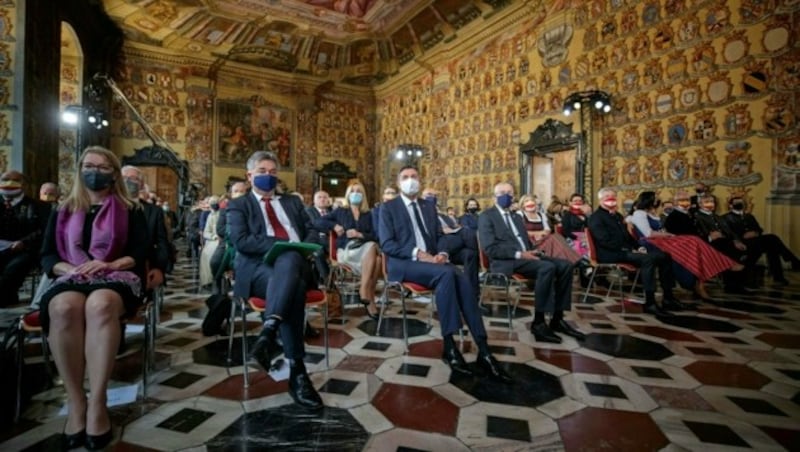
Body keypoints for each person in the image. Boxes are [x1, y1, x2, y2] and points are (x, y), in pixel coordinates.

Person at [39, 146, 147, 450]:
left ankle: (98, 401)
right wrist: (72, 269)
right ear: (79, 170)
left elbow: (139, 252)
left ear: (113, 174)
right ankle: (77, 402)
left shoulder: (130, 208)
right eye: (89, 165)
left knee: (99, 304)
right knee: (63, 307)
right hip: (71, 275)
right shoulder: (63, 209)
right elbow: (47, 256)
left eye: (102, 167)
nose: (95, 171)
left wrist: (109, 264)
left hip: (117, 275)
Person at [379, 165, 511, 382]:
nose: (410, 180)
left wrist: (441, 252)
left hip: (432, 262)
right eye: (405, 177)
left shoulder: (428, 207)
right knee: (447, 274)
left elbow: (440, 236)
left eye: (414, 176)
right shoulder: (389, 208)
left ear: (420, 180)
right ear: (398, 182)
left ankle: (484, 349)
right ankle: (449, 345)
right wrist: (419, 254)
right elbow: (386, 244)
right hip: (402, 263)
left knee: (458, 275)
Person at [226, 150, 323, 410]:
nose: (268, 176)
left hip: (298, 263)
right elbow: (241, 241)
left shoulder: (292, 202)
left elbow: (313, 229)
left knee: (290, 260)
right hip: (258, 269)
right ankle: (297, 372)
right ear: (249, 176)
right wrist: (282, 244)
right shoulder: (239, 205)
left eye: (272, 172)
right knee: (294, 285)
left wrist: (305, 245)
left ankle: (268, 333)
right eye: (261, 172)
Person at [479, 183, 583, 344]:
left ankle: (557, 318)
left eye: (509, 193)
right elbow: (490, 249)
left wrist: (534, 251)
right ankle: (539, 323)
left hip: (528, 255)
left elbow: (524, 241)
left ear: (513, 196)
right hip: (507, 260)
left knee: (565, 265)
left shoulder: (516, 216)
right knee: (547, 267)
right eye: (501, 193)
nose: (505, 195)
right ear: (494, 196)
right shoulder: (487, 216)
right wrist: (521, 254)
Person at [628, 191, 740, 303]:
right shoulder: (639, 213)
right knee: (692, 241)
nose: (658, 200)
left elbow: (659, 229)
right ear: (649, 200)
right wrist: (668, 234)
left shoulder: (652, 213)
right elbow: (648, 233)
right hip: (650, 243)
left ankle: (703, 277)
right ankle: (723, 264)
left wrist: (666, 234)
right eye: (656, 198)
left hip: (662, 239)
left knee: (694, 241)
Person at [587, 188, 682, 316]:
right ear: (600, 199)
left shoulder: (617, 215)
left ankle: (668, 297)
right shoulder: (596, 217)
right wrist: (629, 249)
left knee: (664, 256)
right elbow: (605, 241)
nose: (611, 198)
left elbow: (628, 237)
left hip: (623, 251)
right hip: (609, 254)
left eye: (613, 196)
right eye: (607, 196)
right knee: (648, 259)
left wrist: (638, 247)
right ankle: (650, 303)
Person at [314, 182, 381, 319]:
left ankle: (368, 295)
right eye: (352, 191)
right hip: (346, 250)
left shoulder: (369, 214)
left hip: (365, 249)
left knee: (377, 257)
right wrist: (334, 225)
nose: (355, 194)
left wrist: (360, 234)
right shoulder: (341, 211)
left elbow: (376, 235)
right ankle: (367, 294)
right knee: (374, 251)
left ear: (363, 195)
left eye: (359, 191)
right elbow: (317, 222)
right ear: (348, 195)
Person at [723, 196, 800, 286]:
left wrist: (756, 233)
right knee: (772, 241)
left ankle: (780, 275)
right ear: (731, 205)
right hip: (742, 243)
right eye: (736, 202)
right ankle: (791, 262)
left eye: (741, 202)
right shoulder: (725, 218)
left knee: (772, 243)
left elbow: (759, 229)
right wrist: (743, 236)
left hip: (755, 241)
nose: (739, 204)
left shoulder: (749, 216)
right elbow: (729, 234)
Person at [0, 170, 49, 306]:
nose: (9, 183)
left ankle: (4, 300)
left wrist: (24, 242)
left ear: (25, 185)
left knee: (13, 270)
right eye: (5, 179)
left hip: (25, 250)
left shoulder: (39, 207)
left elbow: (43, 231)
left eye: (15, 180)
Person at [693, 194, 754, 294]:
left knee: (745, 248)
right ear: (700, 204)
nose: (710, 204)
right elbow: (698, 233)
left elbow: (729, 231)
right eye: (706, 202)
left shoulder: (717, 217)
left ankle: (737, 284)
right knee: (730, 250)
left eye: (712, 202)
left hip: (724, 241)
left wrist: (736, 240)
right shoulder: (697, 216)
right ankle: (732, 284)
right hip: (708, 244)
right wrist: (710, 236)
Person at [518, 194, 581, 265]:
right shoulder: (519, 215)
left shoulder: (541, 215)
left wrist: (541, 234)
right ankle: (578, 262)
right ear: (522, 204)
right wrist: (538, 233)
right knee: (555, 239)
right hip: (529, 245)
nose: (530, 202)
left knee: (556, 237)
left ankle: (572, 262)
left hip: (542, 241)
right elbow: (519, 231)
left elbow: (547, 230)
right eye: (527, 201)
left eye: (532, 200)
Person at [200, 195, 221, 289]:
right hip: (213, 239)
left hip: (224, 239)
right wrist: (214, 236)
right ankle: (208, 280)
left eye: (216, 202)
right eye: (212, 203)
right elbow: (206, 232)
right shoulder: (210, 216)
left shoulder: (224, 213)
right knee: (206, 254)